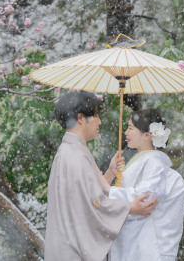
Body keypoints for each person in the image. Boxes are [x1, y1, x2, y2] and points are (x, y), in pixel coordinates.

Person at [45, 91, 158, 261]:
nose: (100, 121)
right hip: (73, 251)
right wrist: (130, 208)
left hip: (65, 247)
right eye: (96, 115)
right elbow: (93, 205)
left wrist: (110, 174)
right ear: (81, 118)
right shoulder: (75, 155)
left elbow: (84, 196)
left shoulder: (70, 151)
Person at [104, 109, 184, 261]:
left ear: (147, 135)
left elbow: (144, 197)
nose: (126, 133)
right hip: (136, 242)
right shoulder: (144, 159)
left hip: (146, 246)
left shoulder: (154, 162)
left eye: (130, 128)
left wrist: (108, 192)